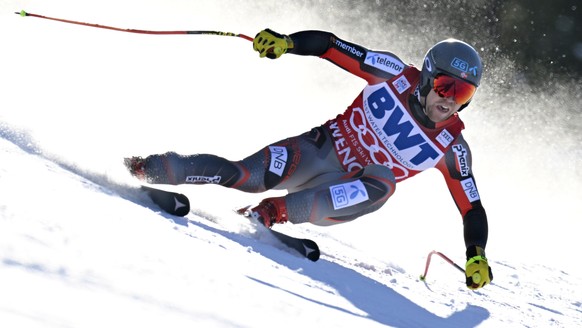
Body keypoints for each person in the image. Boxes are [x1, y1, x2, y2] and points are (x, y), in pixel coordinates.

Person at [125, 29, 493, 290]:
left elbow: (471, 207)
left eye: (463, 93)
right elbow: (330, 46)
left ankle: (270, 213)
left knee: (384, 181)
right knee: (242, 175)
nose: (451, 100)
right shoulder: (392, 73)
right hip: (316, 152)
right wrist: (287, 43)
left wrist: (476, 254)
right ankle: (146, 167)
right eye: (447, 86)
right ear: (428, 78)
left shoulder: (451, 146)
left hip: (344, 191)